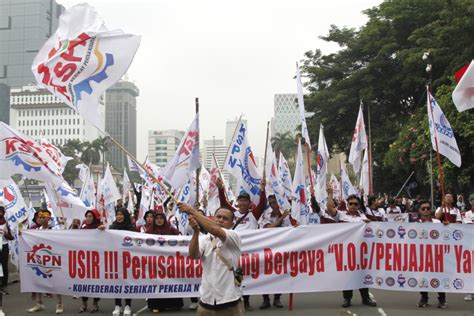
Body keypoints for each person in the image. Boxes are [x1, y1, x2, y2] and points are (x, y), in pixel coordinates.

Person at [179, 202, 243, 316]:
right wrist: (196, 232)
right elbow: (193, 256)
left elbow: (216, 230)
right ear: (213, 218)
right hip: (206, 301)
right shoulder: (204, 239)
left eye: (225, 218)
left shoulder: (235, 236)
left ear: (231, 223)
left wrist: (191, 210)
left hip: (229, 302)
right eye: (218, 217)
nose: (220, 220)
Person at [216, 177, 266, 311]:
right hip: (235, 250)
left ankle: (263, 298)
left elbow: (262, 203)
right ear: (237, 202)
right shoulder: (232, 213)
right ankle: (243, 301)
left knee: (253, 274)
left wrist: (262, 190)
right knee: (239, 276)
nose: (242, 202)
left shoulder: (253, 214)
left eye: (245, 200)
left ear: (249, 203)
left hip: (251, 250)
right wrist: (220, 188)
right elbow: (223, 203)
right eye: (240, 200)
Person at [326, 188, 376, 308]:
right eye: (351, 203)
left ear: (359, 205)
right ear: (347, 204)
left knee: (362, 273)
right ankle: (347, 299)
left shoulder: (363, 216)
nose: (353, 206)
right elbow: (329, 209)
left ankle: (365, 298)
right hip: (346, 251)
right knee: (347, 275)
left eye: (356, 204)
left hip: (361, 252)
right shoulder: (341, 215)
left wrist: (369, 224)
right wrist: (330, 194)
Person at [258, 194, 294, 310]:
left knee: (279, 274)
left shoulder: (287, 215)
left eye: (275, 202)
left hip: (281, 249)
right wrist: (281, 218)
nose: (273, 205)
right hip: (267, 248)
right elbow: (269, 229)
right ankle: (265, 299)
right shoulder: (266, 214)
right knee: (265, 274)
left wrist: (285, 217)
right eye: (271, 203)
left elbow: (289, 231)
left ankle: (277, 298)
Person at [27, 209, 64, 314]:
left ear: (48, 218)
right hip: (39, 258)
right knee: (38, 281)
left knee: (56, 282)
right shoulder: (36, 229)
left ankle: (60, 303)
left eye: (43, 217)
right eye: (39, 217)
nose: (40, 219)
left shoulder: (55, 229)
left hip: (52, 258)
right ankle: (39, 303)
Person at [146, 212, 183, 313]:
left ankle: (174, 304)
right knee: (156, 283)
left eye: (161, 218)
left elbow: (180, 241)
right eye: (156, 218)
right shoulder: (149, 232)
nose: (159, 220)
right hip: (155, 263)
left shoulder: (171, 230)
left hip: (170, 262)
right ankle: (156, 305)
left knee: (171, 281)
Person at [103, 208, 135, 316]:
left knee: (127, 282)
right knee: (116, 283)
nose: (119, 216)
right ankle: (117, 305)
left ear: (125, 216)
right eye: (117, 214)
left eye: (121, 214)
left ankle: (127, 305)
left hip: (128, 260)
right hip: (115, 260)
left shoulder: (132, 229)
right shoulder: (112, 228)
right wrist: (102, 230)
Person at [416, 201, 447, 308]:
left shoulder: (437, 222)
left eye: (428, 208)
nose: (426, 210)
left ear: (431, 210)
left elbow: (446, 234)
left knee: (439, 276)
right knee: (423, 277)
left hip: (437, 255)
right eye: (423, 208)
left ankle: (442, 299)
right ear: (420, 211)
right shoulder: (415, 224)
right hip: (422, 255)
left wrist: (447, 225)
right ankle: (424, 297)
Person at [79, 209, 102, 313]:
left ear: (95, 218)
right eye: (87, 216)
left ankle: (95, 303)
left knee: (95, 282)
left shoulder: (100, 228)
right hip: (84, 259)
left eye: (90, 216)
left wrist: (102, 230)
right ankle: (84, 303)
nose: (88, 218)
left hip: (96, 260)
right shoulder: (83, 228)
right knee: (84, 281)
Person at [462, 194, 473, 301]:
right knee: (471, 269)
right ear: (470, 202)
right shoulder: (467, 214)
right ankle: (469, 292)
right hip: (471, 244)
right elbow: (469, 226)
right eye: (472, 200)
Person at [0, 207, 13, 295]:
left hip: (4, 247)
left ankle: (4, 286)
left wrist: (6, 234)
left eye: (1, 212)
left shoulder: (6, 224)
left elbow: (11, 238)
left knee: (4, 266)